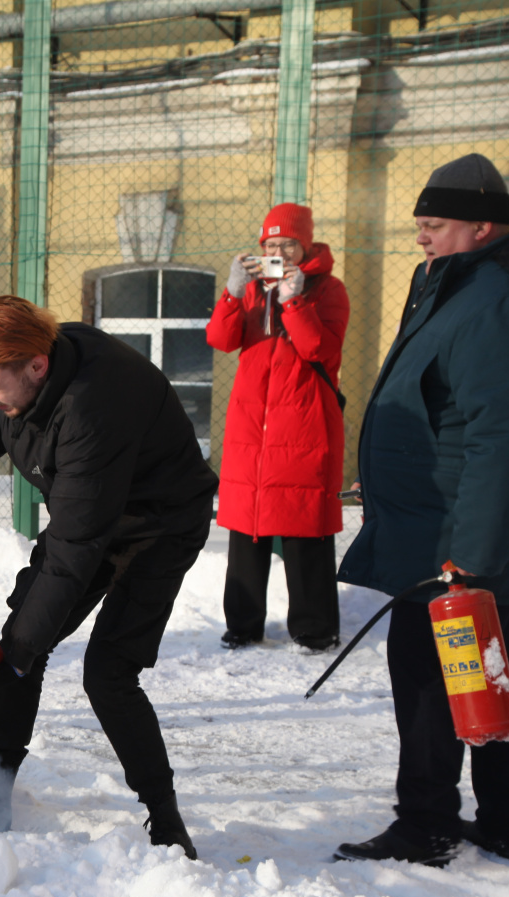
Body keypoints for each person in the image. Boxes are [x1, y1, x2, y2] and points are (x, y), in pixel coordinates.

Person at [0, 296, 219, 857]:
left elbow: (73, 551)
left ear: (36, 366)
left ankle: (165, 818)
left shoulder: (93, 405)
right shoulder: (24, 375)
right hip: (84, 518)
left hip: (158, 527)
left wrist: (11, 656)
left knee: (107, 671)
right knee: (22, 642)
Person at [334, 153, 509, 867]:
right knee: (487, 674)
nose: (422, 237)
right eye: (419, 225)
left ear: (482, 226)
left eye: (434, 225)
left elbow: (505, 437)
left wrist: (471, 557)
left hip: (451, 538)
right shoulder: (467, 287)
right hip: (443, 526)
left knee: (426, 677)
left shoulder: (498, 300)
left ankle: (426, 824)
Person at [207, 203, 350, 653]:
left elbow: (319, 349)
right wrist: (232, 293)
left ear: (304, 243)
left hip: (303, 424)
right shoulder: (251, 290)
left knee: (305, 527)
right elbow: (221, 339)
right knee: (247, 529)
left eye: (286, 243)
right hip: (254, 427)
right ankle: (242, 624)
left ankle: (314, 628)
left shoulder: (329, 290)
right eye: (269, 244)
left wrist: (295, 300)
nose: (278, 251)